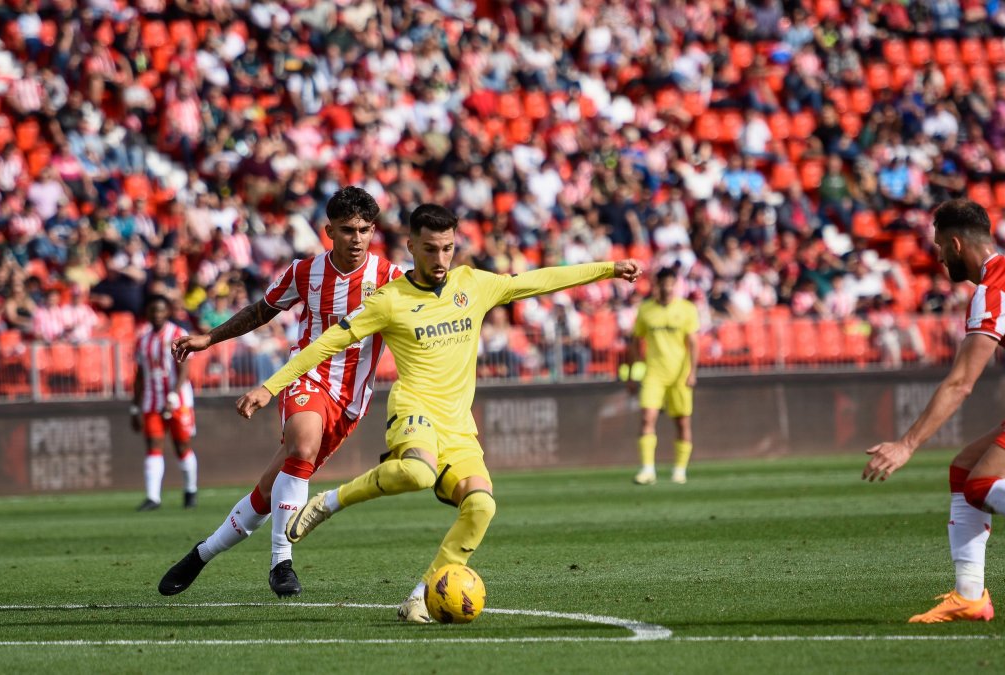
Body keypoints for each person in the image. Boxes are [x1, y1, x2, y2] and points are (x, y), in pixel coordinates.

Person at [239, 203, 640, 622]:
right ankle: (330, 502)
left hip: (458, 426)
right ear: (411, 246)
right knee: (417, 473)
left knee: (482, 506)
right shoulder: (389, 299)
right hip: (414, 407)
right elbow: (325, 345)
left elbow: (540, 281)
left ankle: (421, 595)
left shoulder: (474, 285)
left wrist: (609, 268)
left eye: (448, 248)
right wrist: (271, 386)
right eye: (430, 249)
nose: (441, 259)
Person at [158, 186, 402, 598]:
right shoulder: (304, 272)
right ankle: (281, 562)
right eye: (347, 230)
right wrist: (209, 339)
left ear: (373, 230)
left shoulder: (392, 279)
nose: (356, 238)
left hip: (351, 400)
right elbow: (260, 311)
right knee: (303, 444)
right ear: (329, 232)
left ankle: (201, 554)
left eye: (363, 230)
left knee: (270, 491)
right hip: (304, 378)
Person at [863, 199, 1005, 623]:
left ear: (957, 244)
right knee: (965, 470)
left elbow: (961, 384)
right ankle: (970, 597)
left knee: (983, 484)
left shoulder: (992, 293)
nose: (937, 256)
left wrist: (907, 445)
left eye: (940, 246)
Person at [627, 265, 700, 486]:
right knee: (647, 418)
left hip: (679, 374)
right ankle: (648, 470)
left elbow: (694, 342)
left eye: (671, 283)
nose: (667, 288)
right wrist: (631, 374)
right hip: (654, 374)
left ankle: (680, 470)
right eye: (663, 283)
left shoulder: (687, 309)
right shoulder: (646, 310)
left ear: (675, 285)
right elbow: (634, 342)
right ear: (656, 285)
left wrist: (692, 372)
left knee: (682, 422)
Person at [131, 295, 198, 512]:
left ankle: (190, 491)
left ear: (167, 312)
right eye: (153, 311)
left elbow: (184, 370)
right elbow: (140, 375)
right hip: (152, 401)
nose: (156, 315)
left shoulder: (178, 334)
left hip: (178, 401)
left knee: (182, 447)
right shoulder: (142, 340)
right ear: (148, 313)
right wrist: (134, 406)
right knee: (153, 446)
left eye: (160, 310)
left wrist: (173, 395)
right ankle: (153, 497)